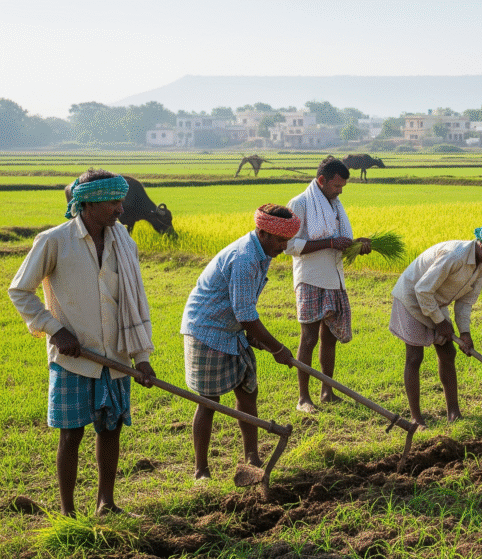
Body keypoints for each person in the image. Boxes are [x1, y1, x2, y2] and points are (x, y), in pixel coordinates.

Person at [8, 169, 156, 516]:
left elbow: (137, 300)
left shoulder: (125, 242)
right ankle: (68, 513)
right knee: (71, 435)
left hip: (116, 353)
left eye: (121, 200)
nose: (121, 209)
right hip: (74, 357)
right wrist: (54, 329)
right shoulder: (54, 241)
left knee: (111, 428)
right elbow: (19, 290)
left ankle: (106, 503)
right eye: (113, 201)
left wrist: (142, 356)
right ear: (87, 202)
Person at [180, 204, 298, 480]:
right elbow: (246, 313)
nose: (284, 246)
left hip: (231, 329)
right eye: (281, 240)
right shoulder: (245, 257)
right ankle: (201, 471)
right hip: (207, 329)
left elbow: (243, 308)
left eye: (287, 240)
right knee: (208, 401)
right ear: (263, 232)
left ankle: (252, 456)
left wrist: (252, 337)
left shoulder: (263, 252)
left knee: (248, 392)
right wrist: (277, 348)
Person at [389, 222, 482, 429]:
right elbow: (422, 290)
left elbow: (466, 301)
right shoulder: (455, 256)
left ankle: (454, 413)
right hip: (411, 299)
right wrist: (440, 323)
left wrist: (465, 333)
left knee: (448, 354)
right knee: (414, 357)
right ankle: (416, 419)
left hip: (435, 302)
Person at [285, 155, 372, 413]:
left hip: (334, 278)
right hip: (310, 278)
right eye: (336, 186)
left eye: (343, 187)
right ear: (321, 180)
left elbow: (339, 239)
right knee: (309, 337)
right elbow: (289, 245)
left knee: (330, 337)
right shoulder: (299, 204)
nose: (340, 191)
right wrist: (330, 243)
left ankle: (327, 392)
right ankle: (303, 398)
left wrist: (358, 244)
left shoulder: (335, 204)